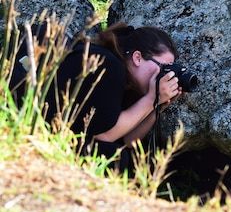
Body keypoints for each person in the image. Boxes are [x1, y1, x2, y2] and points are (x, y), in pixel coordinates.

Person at [43, 22, 183, 170]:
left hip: (57, 138)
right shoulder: (109, 66)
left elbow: (126, 141)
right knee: (111, 157)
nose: (167, 75)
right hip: (43, 136)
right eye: (164, 68)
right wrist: (151, 99)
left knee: (118, 154)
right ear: (138, 58)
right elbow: (103, 136)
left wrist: (157, 106)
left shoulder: (125, 80)